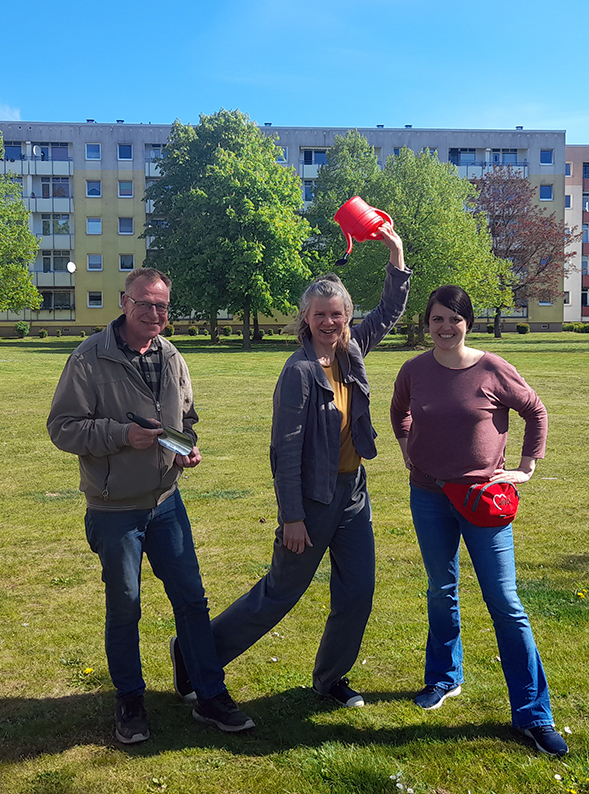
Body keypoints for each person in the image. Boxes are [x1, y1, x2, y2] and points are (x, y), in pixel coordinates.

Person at [169, 224, 409, 708]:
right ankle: (195, 654)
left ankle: (330, 678)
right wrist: (292, 517)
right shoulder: (298, 372)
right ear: (306, 317)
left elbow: (388, 311)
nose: (329, 322)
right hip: (312, 498)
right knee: (281, 592)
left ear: (347, 316)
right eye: (320, 314)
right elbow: (285, 451)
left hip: (353, 492)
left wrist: (395, 254)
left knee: (358, 590)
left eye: (337, 314)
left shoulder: (351, 351)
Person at [47, 267, 254, 745]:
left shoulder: (170, 354)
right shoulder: (89, 358)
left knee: (192, 600)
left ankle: (210, 694)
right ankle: (130, 700)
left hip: (165, 502)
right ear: (124, 303)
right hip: (114, 509)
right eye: (144, 303)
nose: (154, 313)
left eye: (162, 305)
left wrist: (187, 448)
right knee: (125, 607)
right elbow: (63, 428)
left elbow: (187, 417)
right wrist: (122, 434)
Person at [389, 284, 568, 756]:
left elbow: (535, 410)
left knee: (505, 603)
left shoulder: (492, 369)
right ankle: (444, 678)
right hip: (429, 496)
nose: (446, 327)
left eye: (455, 318)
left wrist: (527, 466)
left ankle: (533, 714)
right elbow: (399, 412)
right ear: (427, 324)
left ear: (468, 322)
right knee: (440, 589)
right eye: (437, 319)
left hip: (482, 499)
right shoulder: (414, 370)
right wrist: (408, 451)